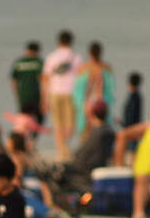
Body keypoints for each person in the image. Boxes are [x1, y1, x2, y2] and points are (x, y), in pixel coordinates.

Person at [42, 30, 82, 161]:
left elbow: (45, 78)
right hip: (70, 92)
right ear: (71, 41)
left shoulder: (51, 57)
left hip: (55, 92)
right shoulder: (76, 57)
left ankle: (61, 150)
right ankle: (65, 147)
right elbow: (81, 77)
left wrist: (44, 98)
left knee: (57, 123)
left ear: (59, 41)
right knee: (70, 123)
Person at [73, 41, 114, 140]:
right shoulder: (106, 68)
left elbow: (79, 88)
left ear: (89, 53)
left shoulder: (84, 68)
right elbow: (110, 87)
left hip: (87, 101)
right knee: (101, 125)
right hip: (101, 101)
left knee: (86, 128)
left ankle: (86, 146)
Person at [11, 41, 44, 123]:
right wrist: (44, 98)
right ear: (37, 51)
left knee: (23, 118)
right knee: (39, 117)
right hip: (36, 95)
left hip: (23, 95)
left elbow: (14, 81)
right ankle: (34, 135)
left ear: (27, 50)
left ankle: (23, 134)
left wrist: (17, 95)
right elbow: (43, 80)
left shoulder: (19, 62)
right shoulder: (39, 62)